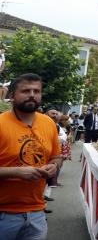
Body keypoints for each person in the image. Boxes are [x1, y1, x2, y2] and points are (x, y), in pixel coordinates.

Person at [0, 74, 62, 239]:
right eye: (26, 91)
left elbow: (56, 156)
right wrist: (17, 172)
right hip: (4, 214)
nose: (32, 95)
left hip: (37, 213)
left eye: (36, 91)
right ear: (12, 95)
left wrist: (54, 166)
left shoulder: (48, 123)